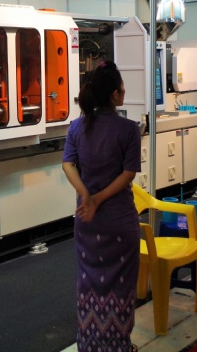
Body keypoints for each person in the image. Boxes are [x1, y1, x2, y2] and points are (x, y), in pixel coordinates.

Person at [62, 60, 142, 352]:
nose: (124, 93)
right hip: (120, 221)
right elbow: (128, 174)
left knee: (88, 284)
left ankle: (89, 344)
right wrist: (98, 198)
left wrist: (87, 195)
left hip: (87, 222)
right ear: (114, 95)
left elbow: (67, 164)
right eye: (122, 89)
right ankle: (119, 345)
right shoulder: (129, 129)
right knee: (120, 287)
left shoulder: (77, 127)